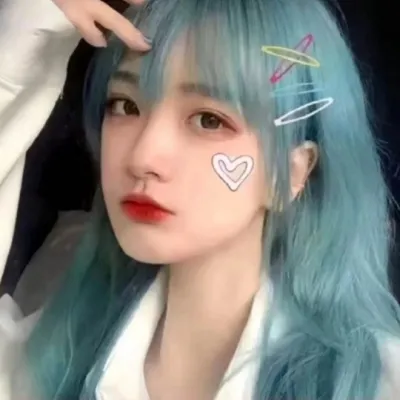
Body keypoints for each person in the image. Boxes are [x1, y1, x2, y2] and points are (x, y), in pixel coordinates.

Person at [1, 0, 400, 399]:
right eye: (126, 105)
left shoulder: (375, 386)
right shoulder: (49, 357)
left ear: (294, 172)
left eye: (209, 120)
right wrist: (14, 58)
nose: (143, 158)